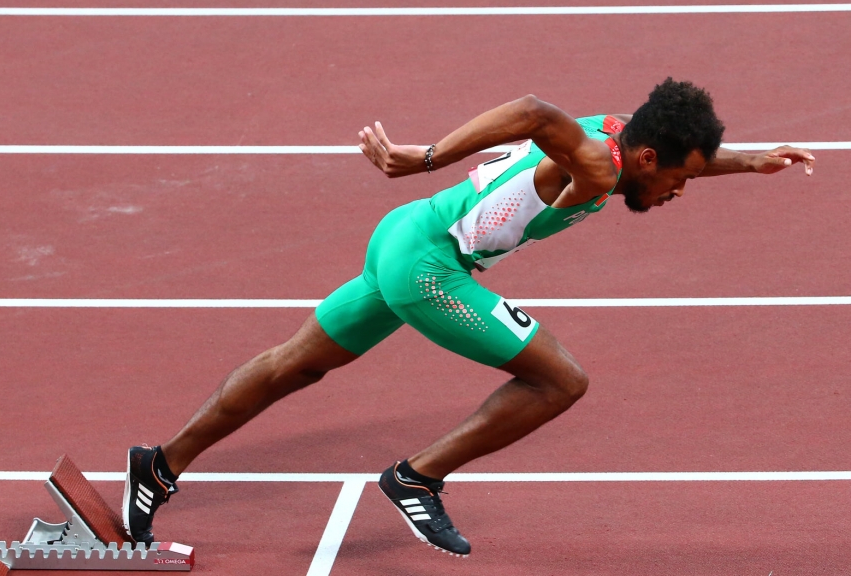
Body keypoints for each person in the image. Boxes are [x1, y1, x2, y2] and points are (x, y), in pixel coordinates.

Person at [121, 78, 815, 557]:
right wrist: (422, 157)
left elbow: (602, 134)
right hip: (430, 269)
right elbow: (535, 109)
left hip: (403, 237)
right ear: (646, 158)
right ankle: (416, 478)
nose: (679, 192)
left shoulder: (615, 133)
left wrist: (752, 161)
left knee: (290, 366)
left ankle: (158, 467)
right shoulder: (597, 171)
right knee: (559, 382)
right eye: (680, 178)